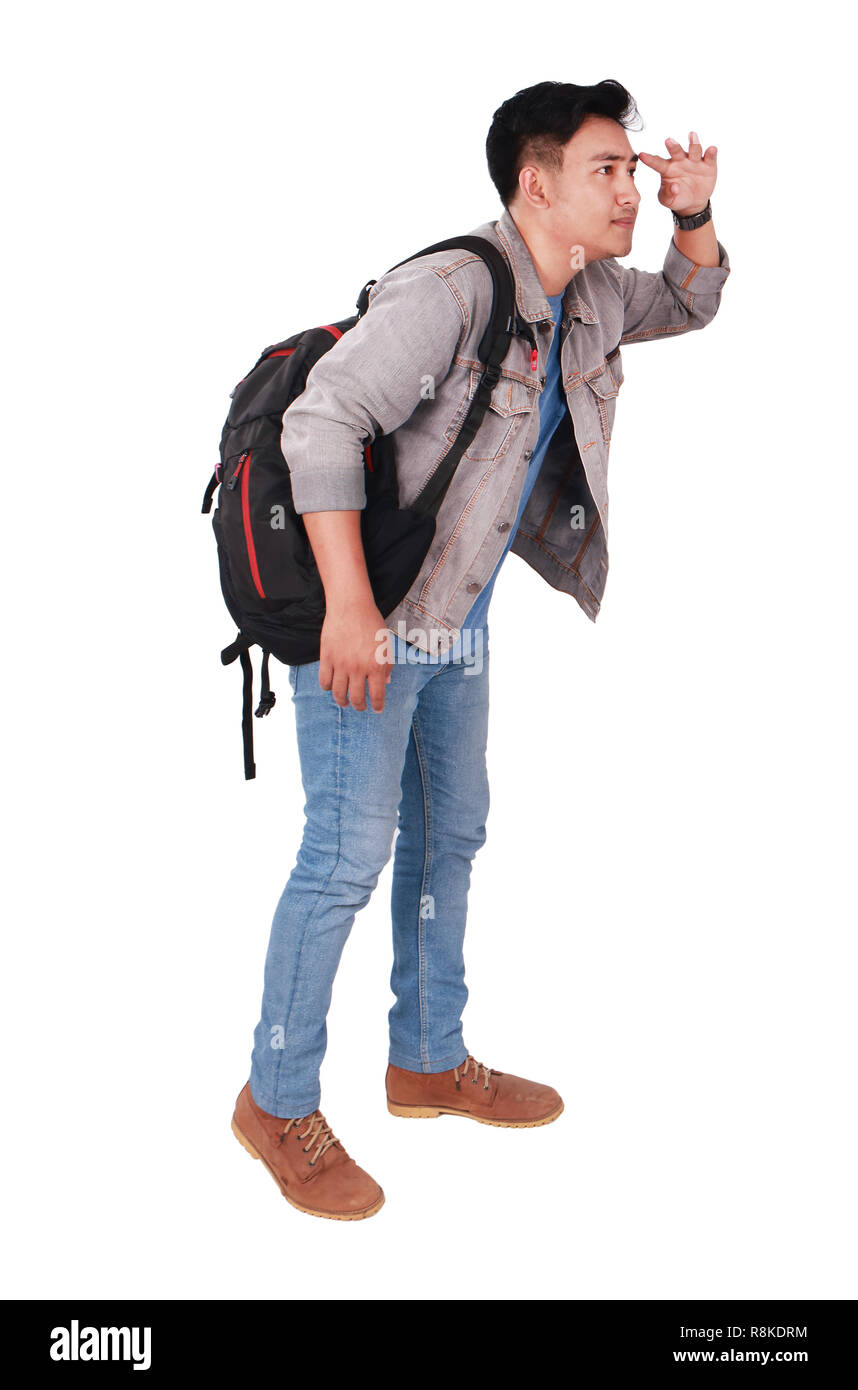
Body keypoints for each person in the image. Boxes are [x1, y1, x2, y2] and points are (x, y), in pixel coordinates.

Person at [231, 78, 731, 1220]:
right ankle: (274, 1097)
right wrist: (352, 608)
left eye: (634, 170)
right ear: (534, 180)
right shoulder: (454, 286)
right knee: (345, 857)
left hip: (456, 618)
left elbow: (693, 304)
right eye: (609, 168)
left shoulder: (593, 293)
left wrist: (696, 212)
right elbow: (322, 421)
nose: (630, 189)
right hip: (367, 613)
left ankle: (424, 1055)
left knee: (453, 829)